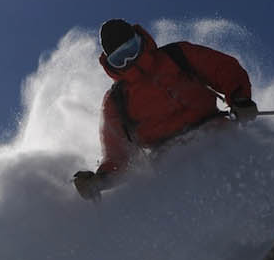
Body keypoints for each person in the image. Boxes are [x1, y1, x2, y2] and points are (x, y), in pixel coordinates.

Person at [73, 19, 259, 200]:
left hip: (214, 131)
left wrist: (239, 99)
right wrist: (99, 180)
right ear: (110, 64)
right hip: (170, 159)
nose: (130, 61)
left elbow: (222, 69)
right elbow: (117, 155)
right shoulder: (116, 101)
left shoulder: (176, 56)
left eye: (131, 49)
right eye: (120, 59)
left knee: (248, 174)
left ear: (140, 41)